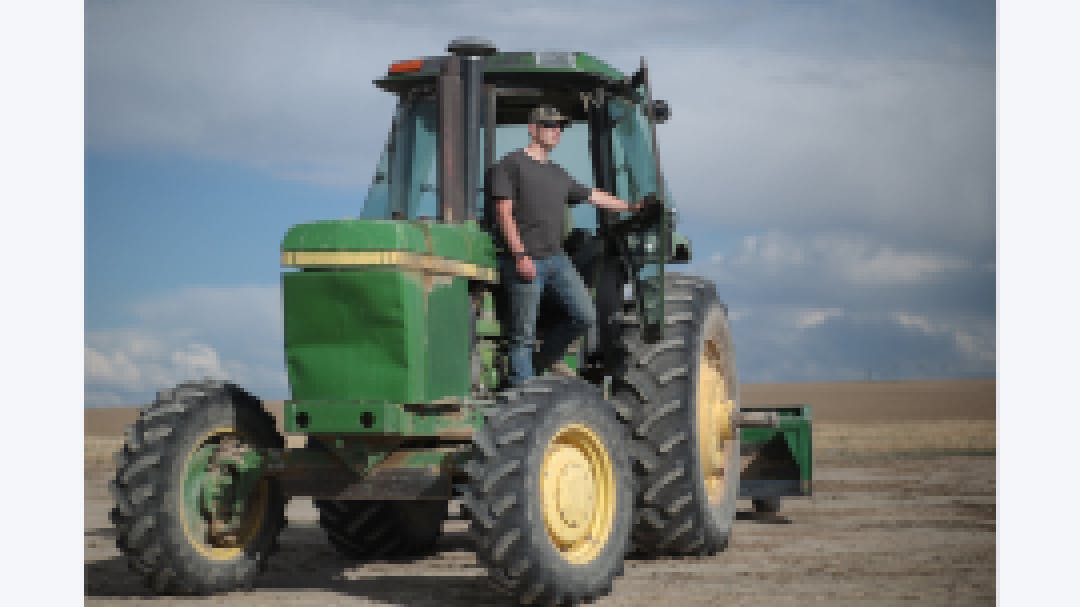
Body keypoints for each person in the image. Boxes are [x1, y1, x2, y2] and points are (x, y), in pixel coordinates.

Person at [490, 105, 643, 386]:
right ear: (532, 129)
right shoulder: (511, 164)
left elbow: (593, 196)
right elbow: (504, 212)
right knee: (522, 335)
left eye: (559, 127)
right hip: (526, 259)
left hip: (556, 259)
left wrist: (631, 207)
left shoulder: (558, 174)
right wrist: (520, 254)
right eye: (549, 125)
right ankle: (524, 394)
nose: (556, 131)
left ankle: (544, 360)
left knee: (584, 315)